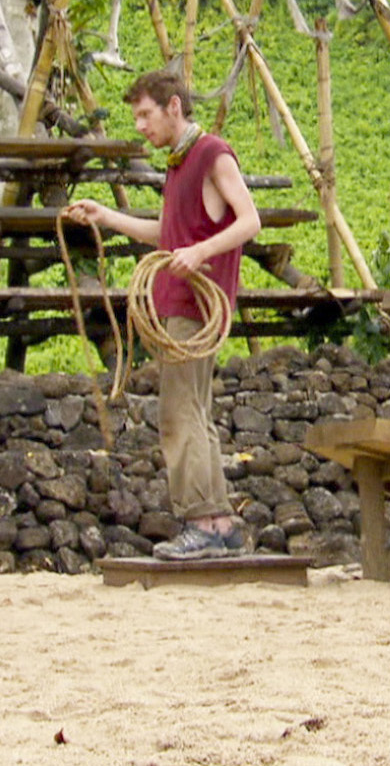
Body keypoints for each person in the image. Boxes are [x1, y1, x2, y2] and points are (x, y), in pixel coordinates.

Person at [64, 71, 263, 560]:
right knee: (194, 411)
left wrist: (199, 254)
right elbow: (168, 233)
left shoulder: (212, 153)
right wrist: (106, 218)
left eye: (145, 114)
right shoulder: (180, 164)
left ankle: (202, 521)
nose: (140, 126)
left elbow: (250, 220)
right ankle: (219, 522)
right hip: (179, 303)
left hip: (198, 303)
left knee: (177, 412)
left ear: (174, 107)